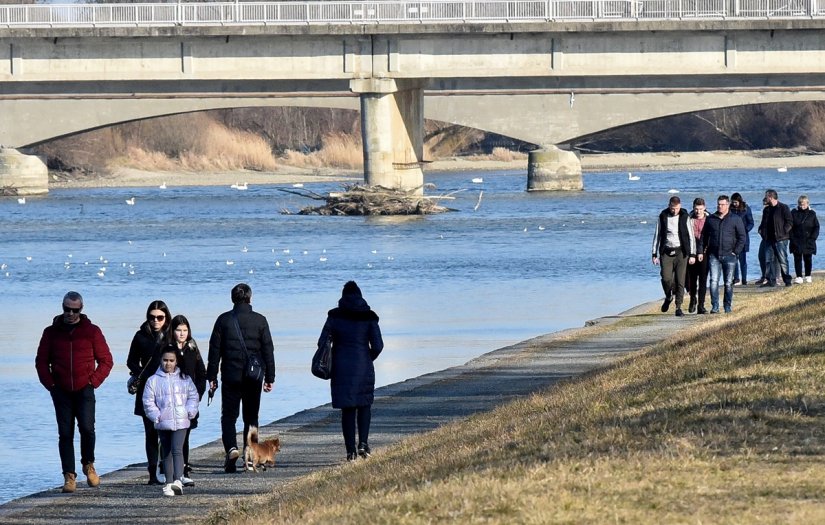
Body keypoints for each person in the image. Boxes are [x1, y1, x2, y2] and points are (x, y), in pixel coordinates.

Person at [35, 291, 113, 493]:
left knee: (87, 428)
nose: (70, 313)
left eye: (74, 310)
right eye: (66, 309)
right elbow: (41, 362)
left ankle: (89, 465)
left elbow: (106, 361)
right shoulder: (51, 332)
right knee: (65, 433)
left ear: (81, 309)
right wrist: (51, 385)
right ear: (62, 307)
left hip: (84, 389)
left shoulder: (92, 331)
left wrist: (93, 382)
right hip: (60, 390)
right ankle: (69, 476)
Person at [207, 283, 275, 473]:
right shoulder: (260, 321)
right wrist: (270, 376)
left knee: (229, 416)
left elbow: (214, 352)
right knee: (251, 417)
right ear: (250, 298)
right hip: (253, 377)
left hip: (230, 376)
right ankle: (250, 457)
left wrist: (211, 376)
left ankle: (231, 448)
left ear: (232, 299)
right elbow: (268, 350)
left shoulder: (223, 320)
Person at [317, 281, 384, 461]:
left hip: (341, 366)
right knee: (364, 405)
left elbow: (321, 342)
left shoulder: (334, 316)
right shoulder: (369, 317)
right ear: (360, 296)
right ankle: (363, 443)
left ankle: (350, 451)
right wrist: (367, 357)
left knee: (347, 409)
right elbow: (378, 345)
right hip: (363, 366)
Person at [126, 300, 173, 485]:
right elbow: (130, 361)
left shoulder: (171, 336)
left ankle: (169, 468)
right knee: (150, 432)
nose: (155, 321)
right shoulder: (140, 336)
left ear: (166, 318)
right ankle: (152, 473)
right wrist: (142, 375)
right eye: (152, 317)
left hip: (169, 389)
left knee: (169, 431)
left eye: (160, 317)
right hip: (147, 390)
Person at [142, 347, 199, 497]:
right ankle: (168, 483)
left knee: (177, 449)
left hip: (181, 420)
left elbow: (193, 396)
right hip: (163, 421)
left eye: (171, 360)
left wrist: (189, 411)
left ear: (176, 361)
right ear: (160, 360)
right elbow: (148, 401)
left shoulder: (185, 379)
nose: (168, 363)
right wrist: (156, 415)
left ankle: (178, 481)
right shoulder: (153, 380)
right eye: (165, 360)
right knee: (166, 452)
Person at [167, 315, 207, 486]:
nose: (182, 334)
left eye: (185, 330)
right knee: (171, 437)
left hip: (189, 400)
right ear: (173, 331)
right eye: (178, 330)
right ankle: (171, 471)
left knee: (186, 434)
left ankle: (183, 469)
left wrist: (197, 395)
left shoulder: (192, 347)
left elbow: (201, 372)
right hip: (171, 399)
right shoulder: (167, 349)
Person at [651, 195, 697, 317]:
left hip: (681, 252)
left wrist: (692, 254)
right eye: (672, 208)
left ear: (680, 206)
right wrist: (654, 253)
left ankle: (678, 307)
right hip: (666, 252)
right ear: (669, 206)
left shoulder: (684, 216)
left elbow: (691, 236)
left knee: (680, 280)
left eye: (676, 208)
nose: (674, 210)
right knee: (666, 278)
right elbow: (657, 235)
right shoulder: (663, 216)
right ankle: (668, 296)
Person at [700, 195, 746, 313]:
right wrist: (701, 251)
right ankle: (715, 306)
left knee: (728, 283)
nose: (720, 206)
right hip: (714, 255)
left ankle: (727, 306)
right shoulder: (711, 219)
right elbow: (704, 237)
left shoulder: (735, 219)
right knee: (713, 282)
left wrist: (735, 251)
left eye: (722, 204)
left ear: (728, 205)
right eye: (718, 204)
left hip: (730, 256)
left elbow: (742, 237)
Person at [758, 189, 793, 287]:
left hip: (781, 239)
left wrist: (783, 232)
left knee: (783, 260)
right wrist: (761, 231)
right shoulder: (767, 210)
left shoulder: (783, 207)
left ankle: (787, 280)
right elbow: (763, 223)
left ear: (771, 197)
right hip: (768, 239)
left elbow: (789, 222)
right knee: (768, 260)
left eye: (766, 196)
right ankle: (771, 280)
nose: (765, 198)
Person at [686, 198, 710, 314]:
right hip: (692, 252)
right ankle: (692, 300)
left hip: (705, 252)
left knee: (703, 280)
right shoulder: (689, 219)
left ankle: (701, 305)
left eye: (700, 209)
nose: (698, 211)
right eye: (696, 209)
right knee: (692, 279)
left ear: (704, 208)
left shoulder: (709, 219)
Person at [790, 195, 820, 283]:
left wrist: (813, 238)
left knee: (808, 258)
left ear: (807, 203)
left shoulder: (812, 213)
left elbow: (816, 227)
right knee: (797, 258)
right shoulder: (794, 212)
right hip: (796, 239)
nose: (801, 206)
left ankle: (808, 276)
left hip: (809, 239)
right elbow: (790, 227)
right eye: (800, 204)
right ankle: (799, 277)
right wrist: (792, 238)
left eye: (803, 204)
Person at [730, 192, 754, 285]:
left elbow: (751, 223)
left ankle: (744, 279)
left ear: (740, 201)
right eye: (733, 202)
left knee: (743, 260)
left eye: (736, 202)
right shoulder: (730, 209)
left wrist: (744, 230)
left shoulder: (746, 209)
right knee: (734, 259)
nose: (734, 204)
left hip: (743, 238)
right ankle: (736, 279)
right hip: (732, 238)